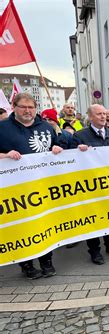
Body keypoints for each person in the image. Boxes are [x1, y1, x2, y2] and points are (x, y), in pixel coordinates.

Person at [0, 93, 63, 279]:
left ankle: (47, 261)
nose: (27, 111)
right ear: (14, 106)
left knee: (45, 222)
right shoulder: (2, 128)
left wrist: (57, 149)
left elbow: (56, 146)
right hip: (16, 189)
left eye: (31, 107)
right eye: (23, 107)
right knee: (24, 227)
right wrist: (4, 156)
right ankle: (26, 264)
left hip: (43, 185)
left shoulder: (46, 127)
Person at [74, 104, 109, 265]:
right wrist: (77, 150)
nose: (103, 117)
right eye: (99, 114)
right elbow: (70, 160)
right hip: (90, 186)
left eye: (105, 114)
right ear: (90, 117)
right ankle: (95, 251)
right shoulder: (80, 136)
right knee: (93, 219)